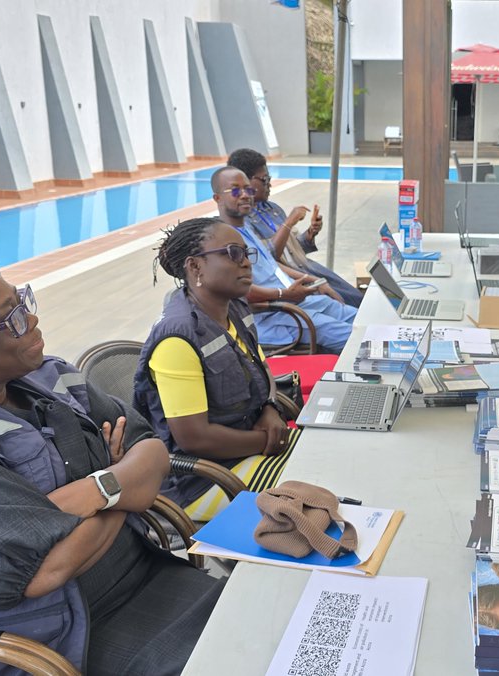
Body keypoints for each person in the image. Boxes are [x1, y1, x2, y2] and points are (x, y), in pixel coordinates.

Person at [0, 247, 222, 675]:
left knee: (272, 620)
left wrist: (93, 492)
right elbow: (45, 571)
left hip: (148, 577)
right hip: (55, 647)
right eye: (10, 317)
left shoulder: (49, 377)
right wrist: (122, 485)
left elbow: (152, 450)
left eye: (23, 301)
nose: (31, 320)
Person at [134, 217, 297, 520]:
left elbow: (262, 369)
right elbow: (194, 438)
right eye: (233, 253)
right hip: (205, 481)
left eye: (247, 254)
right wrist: (268, 440)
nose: (246, 263)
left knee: (329, 457)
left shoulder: (234, 308)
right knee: (319, 480)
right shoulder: (177, 339)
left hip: (247, 451)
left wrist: (271, 409)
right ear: (195, 267)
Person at [211, 166, 356, 352]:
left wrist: (314, 281)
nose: (245, 195)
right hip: (275, 314)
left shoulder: (245, 226)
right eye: (236, 190)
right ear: (217, 198)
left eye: (248, 189)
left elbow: (271, 264)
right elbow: (237, 291)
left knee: (362, 318)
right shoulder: (221, 239)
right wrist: (283, 295)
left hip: (298, 302)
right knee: (353, 338)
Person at [228, 148, 364, 307]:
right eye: (264, 179)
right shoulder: (243, 222)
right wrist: (289, 223)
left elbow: (294, 248)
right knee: (346, 302)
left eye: (269, 178)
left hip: (306, 267)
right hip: (291, 277)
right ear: (247, 182)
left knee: (356, 297)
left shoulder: (272, 208)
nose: (269, 184)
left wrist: (310, 233)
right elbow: (269, 258)